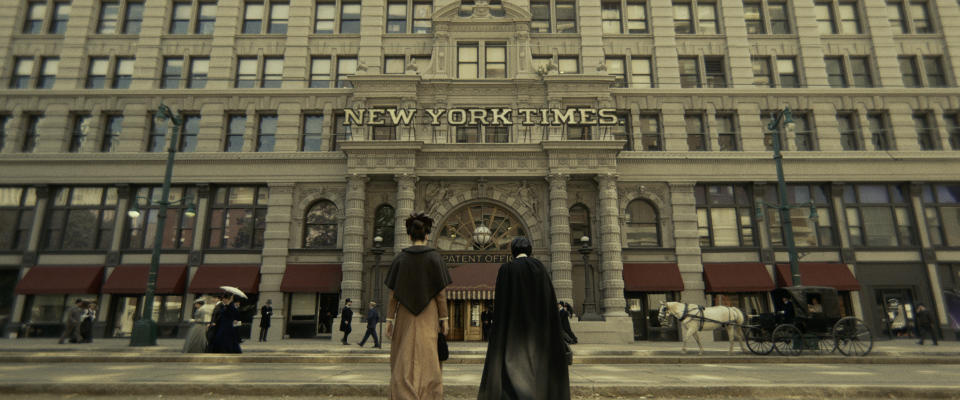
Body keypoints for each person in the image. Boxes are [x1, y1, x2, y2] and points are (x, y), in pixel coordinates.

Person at [477, 237, 570, 400]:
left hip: (513, 331)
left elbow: (501, 304)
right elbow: (548, 301)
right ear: (530, 250)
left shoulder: (506, 269)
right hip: (538, 331)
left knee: (512, 366)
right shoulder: (540, 268)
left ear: (512, 251)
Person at [384, 212, 452, 399]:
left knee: (404, 354)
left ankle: (403, 393)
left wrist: (389, 319)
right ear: (427, 235)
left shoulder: (400, 258)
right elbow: (440, 293)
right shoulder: (435, 258)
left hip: (404, 314)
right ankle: (429, 394)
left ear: (409, 236)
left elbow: (393, 294)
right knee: (429, 354)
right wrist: (444, 318)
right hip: (429, 313)